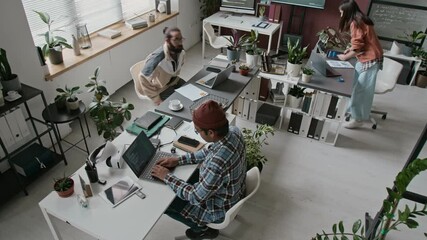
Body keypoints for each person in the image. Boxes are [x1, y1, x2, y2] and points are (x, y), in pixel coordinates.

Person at [151, 100, 247, 239]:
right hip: (233, 193)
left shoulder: (217, 164)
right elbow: (208, 152)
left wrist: (166, 176)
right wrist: (178, 160)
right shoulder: (234, 132)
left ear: (211, 133)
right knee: (184, 180)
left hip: (216, 211)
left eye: (198, 131)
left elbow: (195, 197)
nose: (197, 133)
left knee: (165, 203)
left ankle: (203, 229)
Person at [337, 0, 383, 129]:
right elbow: (361, 42)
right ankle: (349, 109)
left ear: (347, 12)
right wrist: (350, 49)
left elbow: (358, 46)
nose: (341, 16)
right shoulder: (361, 19)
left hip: (370, 60)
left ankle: (358, 119)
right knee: (352, 84)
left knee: (360, 91)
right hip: (365, 58)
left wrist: (345, 57)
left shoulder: (355, 22)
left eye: (341, 13)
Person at [138, 27, 186, 105]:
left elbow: (178, 67)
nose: (180, 42)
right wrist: (156, 99)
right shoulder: (157, 59)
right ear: (167, 41)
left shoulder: (180, 52)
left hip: (174, 81)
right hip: (161, 89)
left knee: (193, 94)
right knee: (182, 105)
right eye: (176, 39)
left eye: (181, 39)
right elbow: (142, 77)